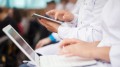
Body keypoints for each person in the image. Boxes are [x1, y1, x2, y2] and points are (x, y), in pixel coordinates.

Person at [59, 0, 120, 66]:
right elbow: (110, 38)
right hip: (101, 56)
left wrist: (92, 50)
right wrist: (89, 45)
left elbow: (97, 34)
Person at [35, 0, 108, 55]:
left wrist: (59, 30)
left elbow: (96, 36)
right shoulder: (81, 1)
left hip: (90, 50)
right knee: (36, 55)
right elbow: (84, 22)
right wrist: (73, 19)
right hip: (78, 44)